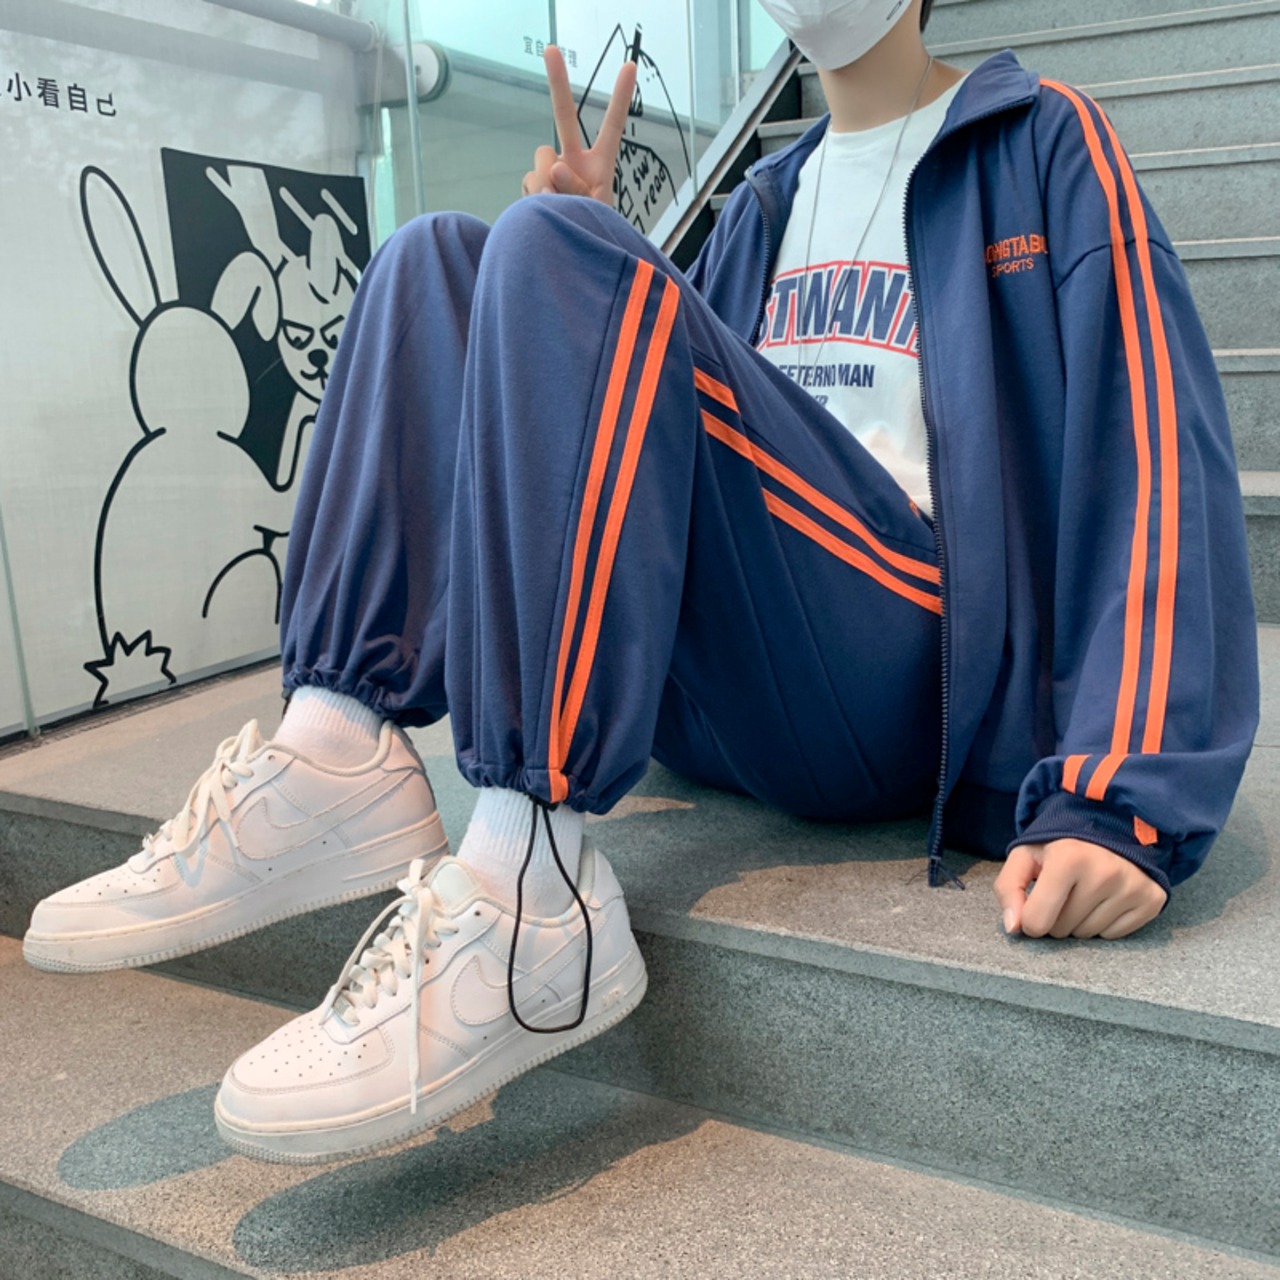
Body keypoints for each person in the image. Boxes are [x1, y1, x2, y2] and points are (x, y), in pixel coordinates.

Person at [23, 0, 1257, 1165]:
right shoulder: (760, 200)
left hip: (907, 660)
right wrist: (568, 262)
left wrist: (1120, 797)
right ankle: (334, 744)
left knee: (551, 250)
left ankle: (529, 899)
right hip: (734, 692)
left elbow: (1147, 439)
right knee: (435, 257)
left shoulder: (1034, 140)